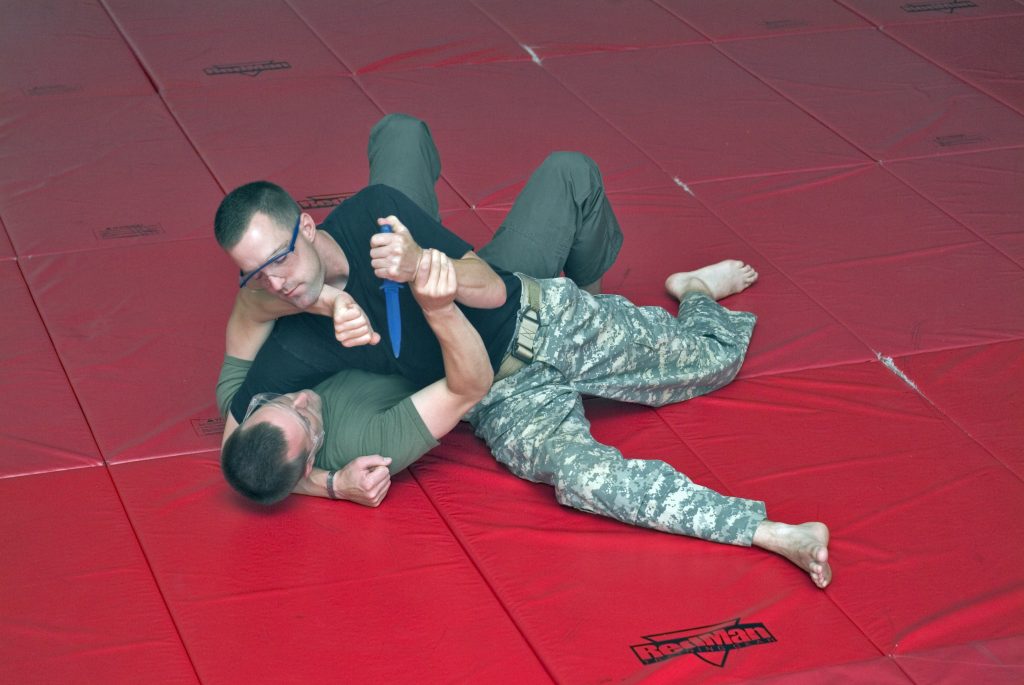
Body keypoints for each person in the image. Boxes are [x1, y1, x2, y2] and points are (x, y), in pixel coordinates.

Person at [213, 114, 832, 588]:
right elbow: (248, 460)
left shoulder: (377, 222)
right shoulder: (283, 335)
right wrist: (333, 485)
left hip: (536, 315)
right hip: (503, 396)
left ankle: (690, 290)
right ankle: (771, 532)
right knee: (583, 478)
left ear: (309, 227)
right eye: (254, 275)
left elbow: (493, 285)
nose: (275, 283)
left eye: (279, 261)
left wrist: (432, 271)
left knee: (713, 361)